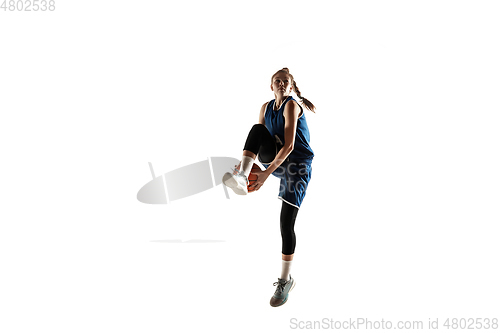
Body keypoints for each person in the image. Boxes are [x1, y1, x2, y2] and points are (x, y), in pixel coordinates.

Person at [222, 68, 315, 307]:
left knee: (286, 223)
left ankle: (286, 280)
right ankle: (241, 175)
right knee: (257, 129)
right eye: (277, 81)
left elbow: (290, 146)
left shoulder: (292, 106)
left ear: (291, 87)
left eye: (286, 81)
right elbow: (260, 139)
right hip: (276, 159)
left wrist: (264, 175)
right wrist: (250, 166)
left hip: (297, 166)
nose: (282, 84)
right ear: (271, 85)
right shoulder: (265, 107)